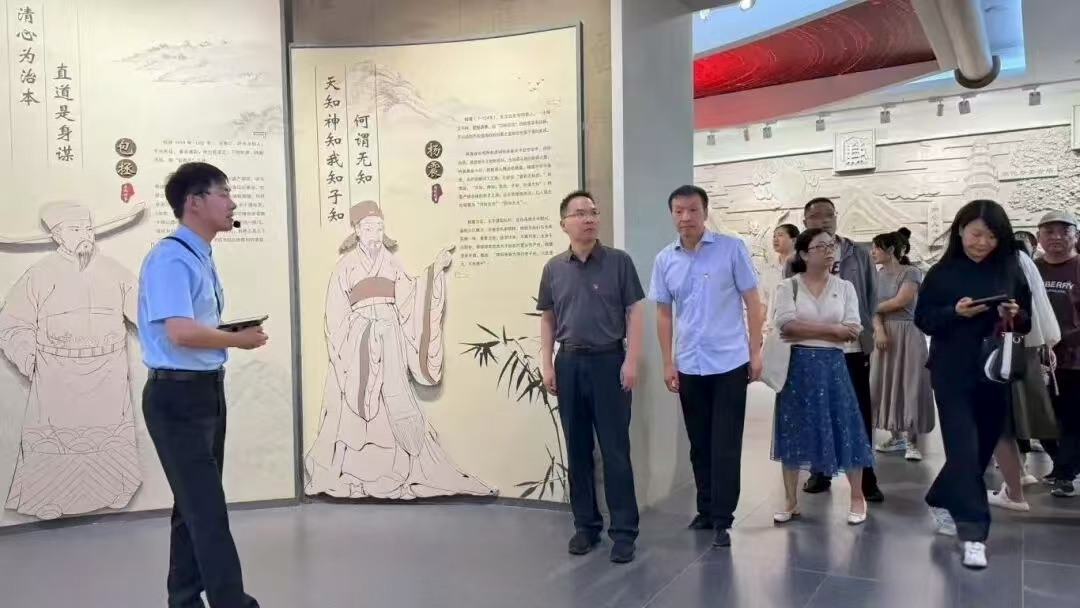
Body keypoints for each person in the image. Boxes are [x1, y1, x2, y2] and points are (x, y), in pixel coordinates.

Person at [137, 162, 266, 607]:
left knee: (191, 508)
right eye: (223, 193)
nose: (232, 203)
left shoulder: (198, 256)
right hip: (177, 398)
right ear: (194, 202)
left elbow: (192, 326)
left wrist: (229, 336)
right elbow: (180, 332)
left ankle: (184, 600)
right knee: (207, 512)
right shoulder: (171, 258)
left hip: (203, 391)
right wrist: (237, 340)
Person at [304, 200, 494, 500]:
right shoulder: (345, 267)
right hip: (358, 347)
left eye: (379, 228)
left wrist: (435, 269)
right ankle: (353, 474)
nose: (375, 234)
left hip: (391, 339)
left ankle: (401, 470)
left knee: (396, 404)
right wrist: (352, 343)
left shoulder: (391, 263)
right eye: (369, 228)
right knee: (352, 411)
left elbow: (411, 297)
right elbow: (335, 316)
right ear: (357, 230)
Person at [0, 201, 141, 520]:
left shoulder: (113, 271)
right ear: (57, 235)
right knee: (56, 442)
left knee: (109, 437)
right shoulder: (39, 275)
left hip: (108, 372)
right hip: (57, 375)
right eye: (76, 229)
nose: (85, 235)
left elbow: (144, 311)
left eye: (88, 228)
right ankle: (48, 500)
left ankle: (114, 489)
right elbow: (12, 324)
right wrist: (31, 360)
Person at [914, 199, 1031, 570]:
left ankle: (938, 496)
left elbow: (1026, 321)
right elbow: (923, 319)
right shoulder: (941, 273)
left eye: (992, 237)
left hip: (994, 373)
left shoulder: (1010, 269)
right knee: (963, 451)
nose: (982, 243)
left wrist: (1015, 314)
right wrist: (955, 312)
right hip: (952, 372)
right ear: (961, 229)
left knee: (978, 454)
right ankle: (974, 534)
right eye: (976, 234)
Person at [649, 185, 764, 549]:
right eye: (678, 211)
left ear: (705, 211)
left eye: (693, 210)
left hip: (729, 362)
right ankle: (705, 508)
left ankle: (723, 518)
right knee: (699, 443)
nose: (686, 217)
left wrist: (755, 351)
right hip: (689, 364)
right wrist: (667, 361)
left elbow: (753, 302)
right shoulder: (664, 259)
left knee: (725, 442)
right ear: (671, 214)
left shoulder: (731, 249)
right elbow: (663, 313)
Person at [537, 190, 644, 564]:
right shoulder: (554, 268)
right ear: (563, 223)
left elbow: (634, 312)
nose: (589, 219)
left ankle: (624, 532)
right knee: (578, 450)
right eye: (580, 213)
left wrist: (631, 360)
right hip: (569, 363)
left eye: (593, 212)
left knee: (615, 451)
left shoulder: (619, 262)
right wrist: (547, 363)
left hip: (609, 361)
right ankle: (586, 526)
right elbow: (547, 318)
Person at [770, 228, 873, 526]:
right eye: (820, 246)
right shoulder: (788, 286)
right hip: (797, 367)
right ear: (804, 254)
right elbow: (785, 324)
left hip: (834, 366)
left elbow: (852, 329)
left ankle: (857, 496)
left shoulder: (845, 287)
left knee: (847, 427)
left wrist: (810, 330)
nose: (829, 251)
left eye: (831, 246)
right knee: (793, 430)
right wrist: (832, 331)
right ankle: (790, 500)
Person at [786, 197, 882, 501]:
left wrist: (864, 329)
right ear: (805, 221)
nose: (824, 220)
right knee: (817, 410)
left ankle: (866, 477)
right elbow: (787, 303)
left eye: (829, 215)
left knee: (858, 411)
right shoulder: (796, 259)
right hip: (811, 349)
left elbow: (872, 295)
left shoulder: (857, 253)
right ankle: (820, 469)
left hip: (851, 347)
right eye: (816, 216)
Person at [987, 236, 1060, 512]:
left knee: (1008, 417)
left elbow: (1026, 313)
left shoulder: (1009, 263)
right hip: (1024, 347)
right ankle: (1019, 473)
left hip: (1010, 350)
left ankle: (1017, 483)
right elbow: (1039, 311)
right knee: (1016, 415)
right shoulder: (1023, 261)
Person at [868, 228, 934, 462]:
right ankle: (895, 435)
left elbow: (900, 301)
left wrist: (869, 307)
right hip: (883, 335)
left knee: (910, 383)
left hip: (908, 332)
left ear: (890, 250)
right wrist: (878, 329)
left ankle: (912, 441)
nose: (872, 252)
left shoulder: (911, 272)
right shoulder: (875, 275)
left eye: (876, 248)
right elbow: (874, 309)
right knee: (885, 384)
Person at [1035, 210, 1080, 497]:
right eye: (1049, 231)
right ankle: (1062, 466)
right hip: (1037, 360)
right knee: (1041, 419)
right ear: (1039, 236)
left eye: (1064, 231)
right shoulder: (1033, 269)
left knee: (1073, 419)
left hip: (1074, 360)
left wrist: (1059, 341)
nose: (1056, 237)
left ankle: (1065, 473)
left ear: (1076, 236)